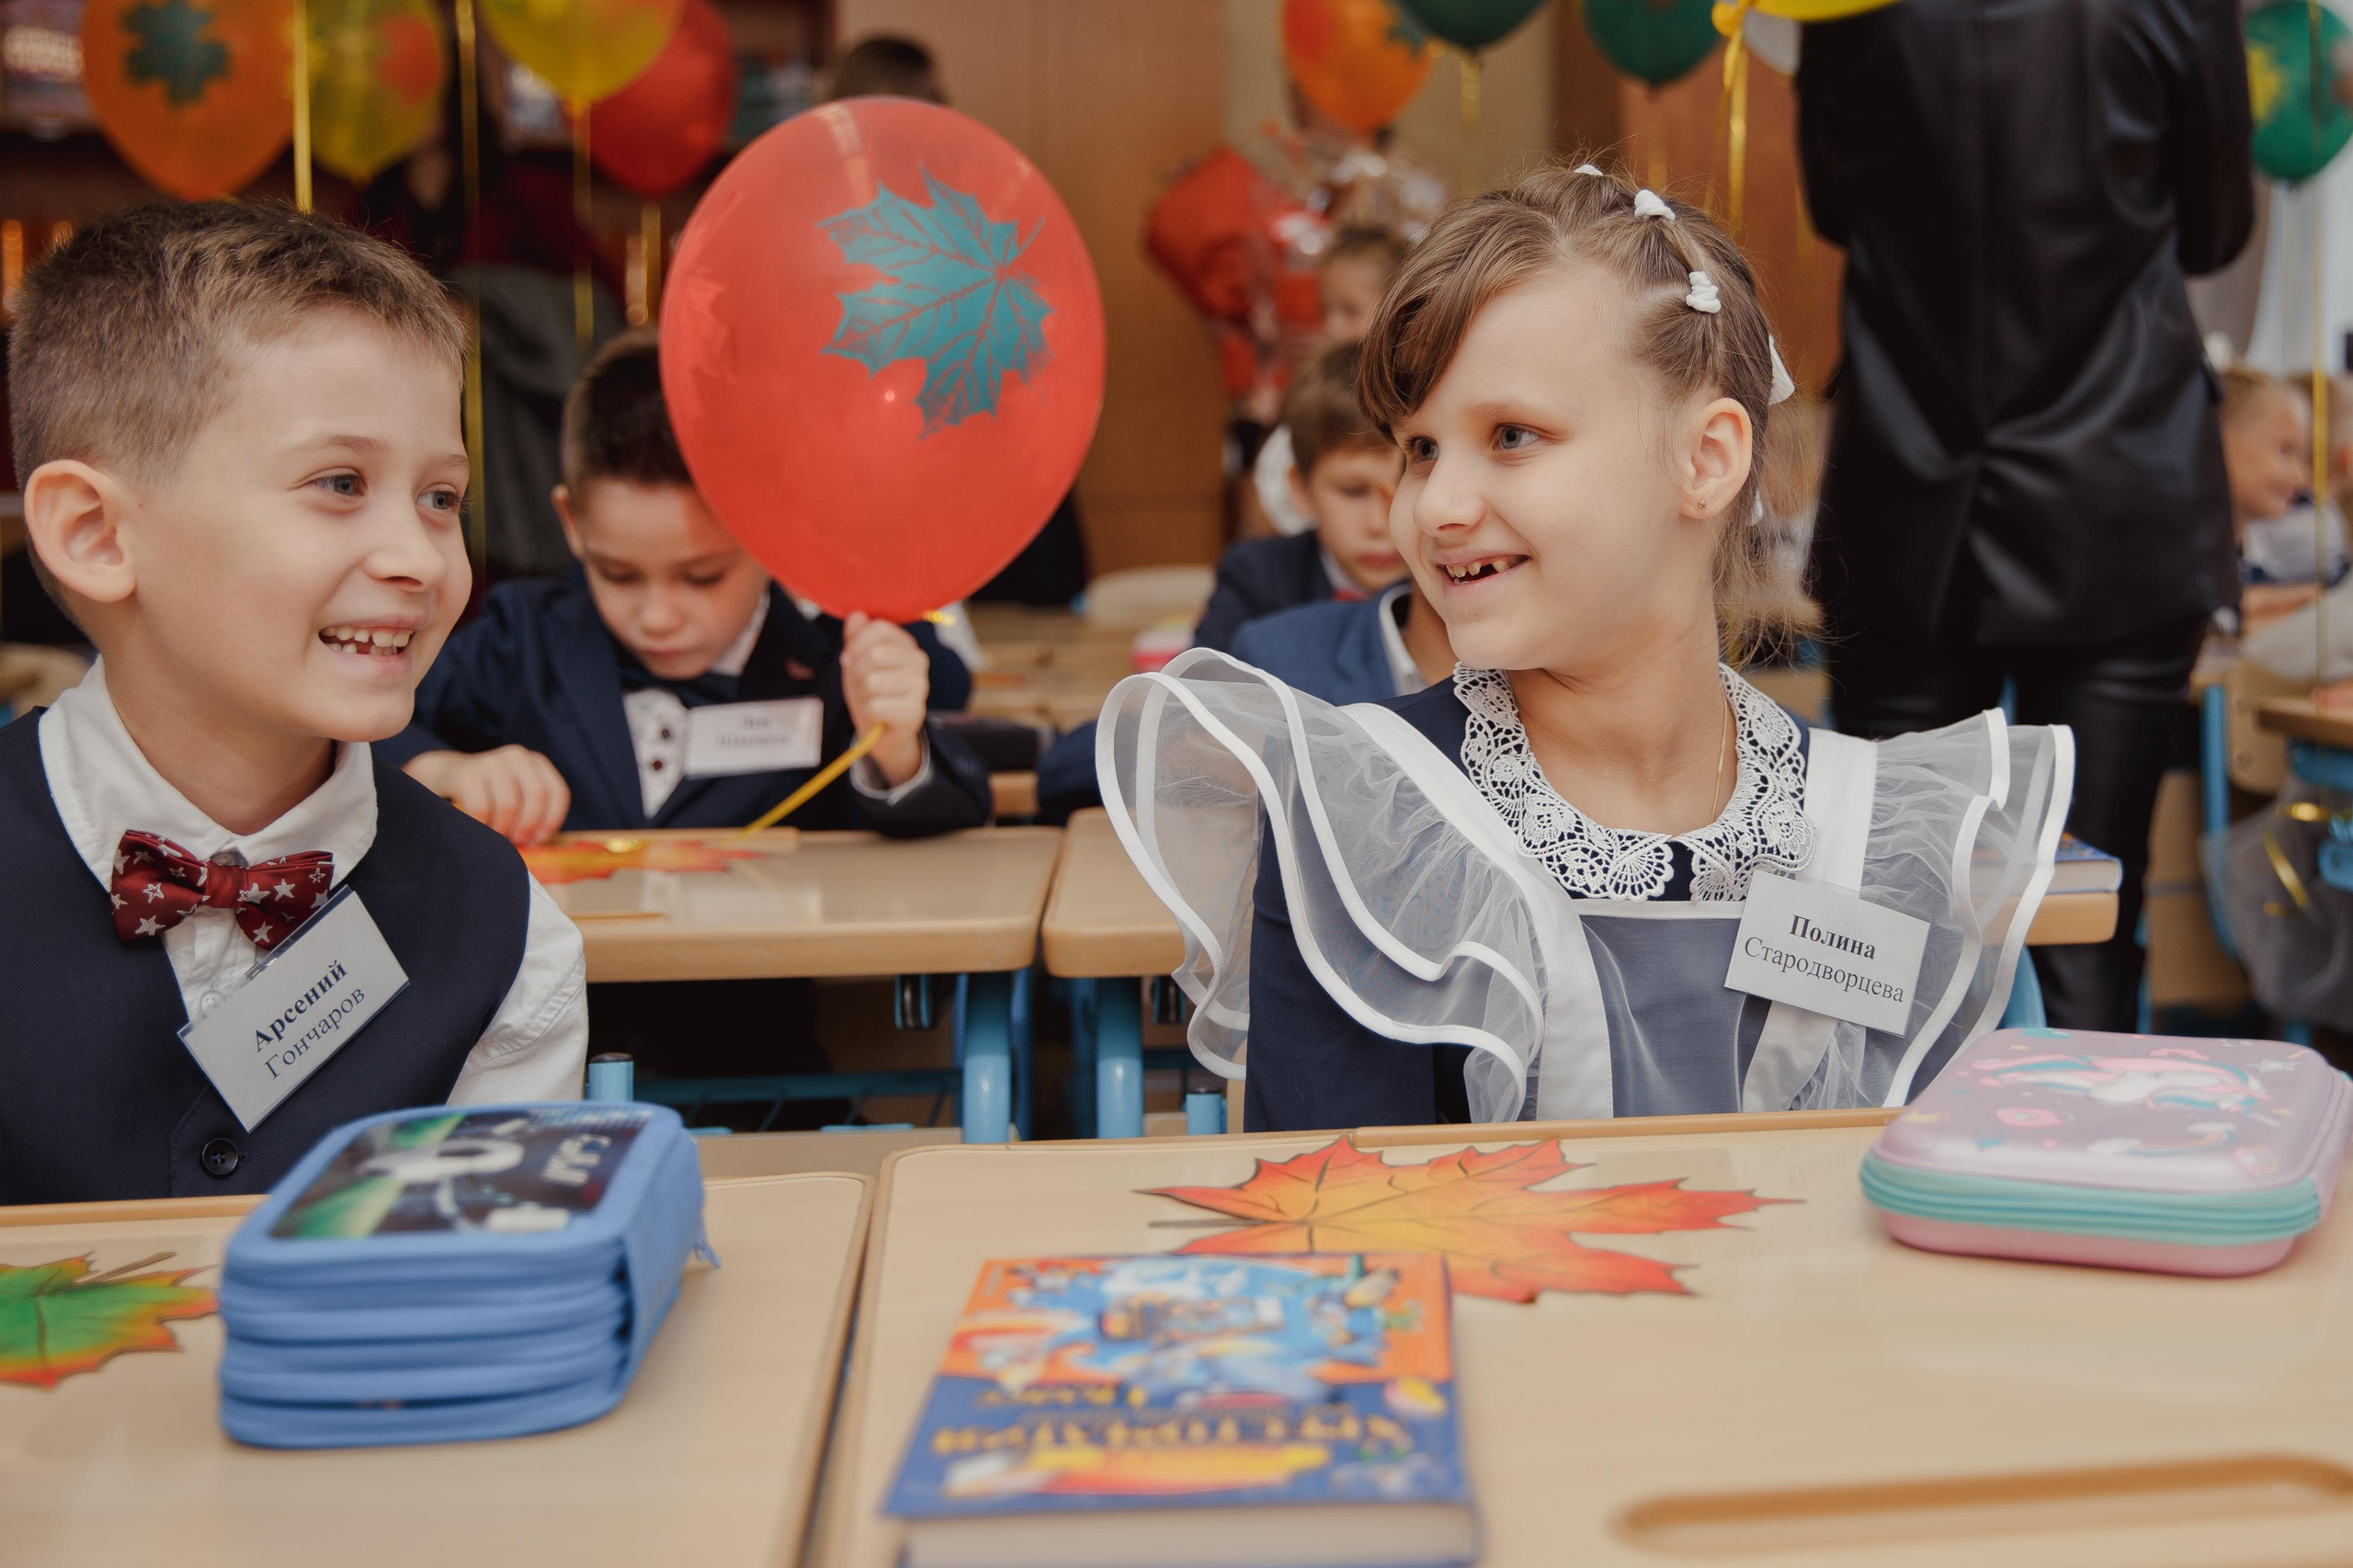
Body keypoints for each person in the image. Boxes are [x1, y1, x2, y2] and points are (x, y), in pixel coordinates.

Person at [1097, 163, 2071, 1133]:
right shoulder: (1367, 823)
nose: (1435, 506)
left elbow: (1926, 1209)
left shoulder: (1874, 833)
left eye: (1512, 435)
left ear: (1706, 458)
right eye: (1418, 449)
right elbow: (1346, 1230)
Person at [1, 201, 588, 1202]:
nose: (418, 558)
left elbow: (482, 1300)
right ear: (97, 533)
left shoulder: (504, 930)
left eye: (441, 497)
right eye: (339, 482)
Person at [1795, 0, 2254, 1035]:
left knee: (1879, 926)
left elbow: (1835, 207)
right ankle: (2081, 1184)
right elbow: (2217, 228)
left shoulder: (1847, 5)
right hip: (2120, 491)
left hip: (1905, 484)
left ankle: (1866, 1177)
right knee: (2088, 915)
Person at [381, 332, 992, 842]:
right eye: (617, 574)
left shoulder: (830, 662)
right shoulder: (521, 643)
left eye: (703, 577)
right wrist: (442, 769)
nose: (658, 617)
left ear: (771, 530)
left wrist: (898, 754)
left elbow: (955, 816)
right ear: (572, 524)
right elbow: (361, 732)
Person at [1192, 341, 1412, 653]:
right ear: (1301, 489)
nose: (1380, 524)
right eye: (1353, 491)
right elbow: (1198, 690)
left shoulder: (1463, 578)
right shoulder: (1257, 577)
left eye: (1402, 487)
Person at [1254, 226, 1412, 538]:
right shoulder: (1319, 380)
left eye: (1349, 311)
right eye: (1326, 310)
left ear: (1399, 308)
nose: (1331, 326)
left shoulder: (1415, 394)